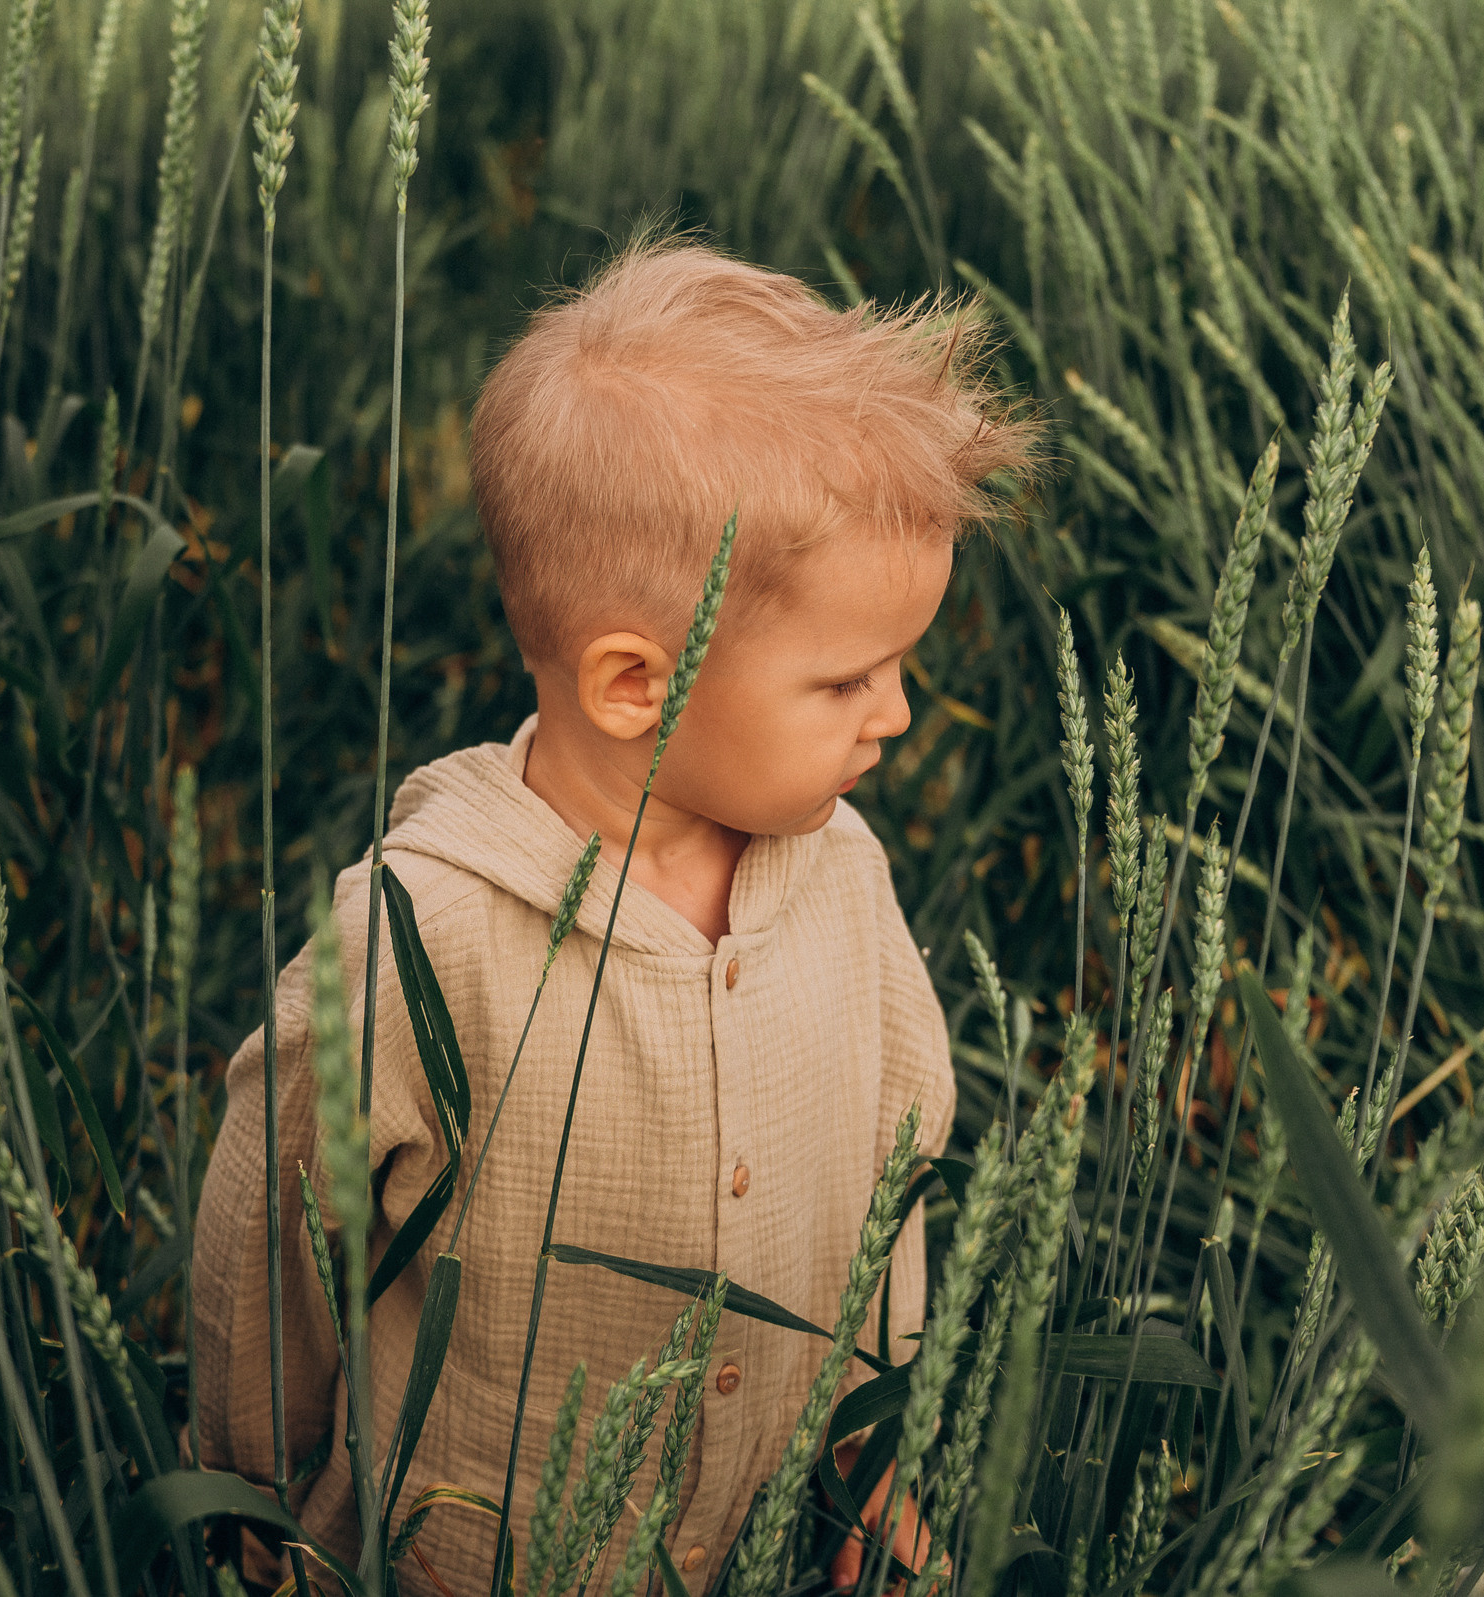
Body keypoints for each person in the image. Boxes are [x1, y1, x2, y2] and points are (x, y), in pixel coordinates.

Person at [192, 236, 1040, 1597]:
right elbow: (276, 1234)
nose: (896, 713)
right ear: (637, 683)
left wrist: (869, 1463)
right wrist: (260, 1504)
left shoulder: (844, 875)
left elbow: (894, 1169)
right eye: (846, 682)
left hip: (766, 1551)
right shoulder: (424, 938)